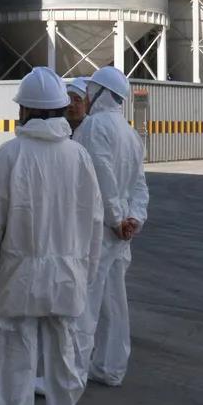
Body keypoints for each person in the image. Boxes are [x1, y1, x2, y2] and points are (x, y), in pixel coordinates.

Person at [0, 67, 103, 405]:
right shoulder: (78, 156)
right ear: (60, 109)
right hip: (67, 276)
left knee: (14, 360)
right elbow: (94, 220)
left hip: (19, 276)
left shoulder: (11, 155)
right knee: (64, 364)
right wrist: (87, 271)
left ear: (24, 110)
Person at [75, 66, 149, 387]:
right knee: (114, 304)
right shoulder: (131, 134)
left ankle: (72, 372)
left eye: (90, 91)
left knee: (84, 303)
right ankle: (110, 367)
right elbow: (139, 185)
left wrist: (117, 219)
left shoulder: (93, 127)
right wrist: (134, 218)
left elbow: (100, 179)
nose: (86, 96)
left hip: (99, 230)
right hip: (120, 234)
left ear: (101, 93)